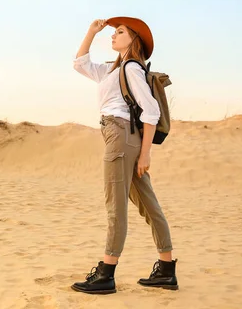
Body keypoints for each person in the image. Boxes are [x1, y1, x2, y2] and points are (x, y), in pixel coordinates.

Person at [70, 17, 178, 295]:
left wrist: (145, 155)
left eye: (120, 32)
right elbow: (80, 63)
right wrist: (91, 32)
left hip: (121, 137)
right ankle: (166, 271)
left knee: (115, 206)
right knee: (148, 204)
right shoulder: (112, 69)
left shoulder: (130, 68)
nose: (113, 36)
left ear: (134, 38)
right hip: (119, 136)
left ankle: (106, 274)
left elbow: (151, 110)